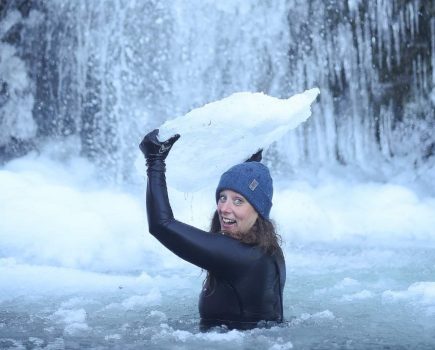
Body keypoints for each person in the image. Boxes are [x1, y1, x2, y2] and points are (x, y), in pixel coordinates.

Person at [139, 129, 286, 330]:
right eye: (223, 197)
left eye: (238, 201)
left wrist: (154, 161)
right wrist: (250, 163)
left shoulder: (240, 257)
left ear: (258, 210)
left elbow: (161, 225)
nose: (224, 208)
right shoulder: (267, 247)